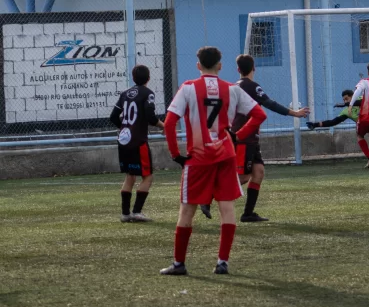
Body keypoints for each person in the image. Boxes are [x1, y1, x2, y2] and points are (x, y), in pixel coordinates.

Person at [160, 46, 267, 276]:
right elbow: (260, 115)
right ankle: (222, 262)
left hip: (198, 157)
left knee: (187, 210)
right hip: (225, 155)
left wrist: (176, 154)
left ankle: (179, 264)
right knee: (227, 208)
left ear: (198, 65)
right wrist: (237, 135)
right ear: (220, 65)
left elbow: (169, 123)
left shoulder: (188, 88)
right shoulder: (232, 88)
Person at [200, 54, 309, 223]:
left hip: (248, 137)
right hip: (244, 137)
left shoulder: (234, 86)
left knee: (258, 172)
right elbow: (269, 103)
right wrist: (295, 113)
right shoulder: (251, 86)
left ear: (238, 69)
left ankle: (248, 214)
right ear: (254, 68)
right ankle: (207, 197)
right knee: (244, 176)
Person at [110, 64, 165, 222]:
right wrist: (164, 126)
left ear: (133, 78)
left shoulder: (125, 93)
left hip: (124, 140)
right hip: (138, 141)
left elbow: (113, 117)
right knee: (147, 177)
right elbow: (150, 116)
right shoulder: (148, 93)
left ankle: (125, 214)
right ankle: (137, 212)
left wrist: (125, 128)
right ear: (148, 78)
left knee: (130, 176)